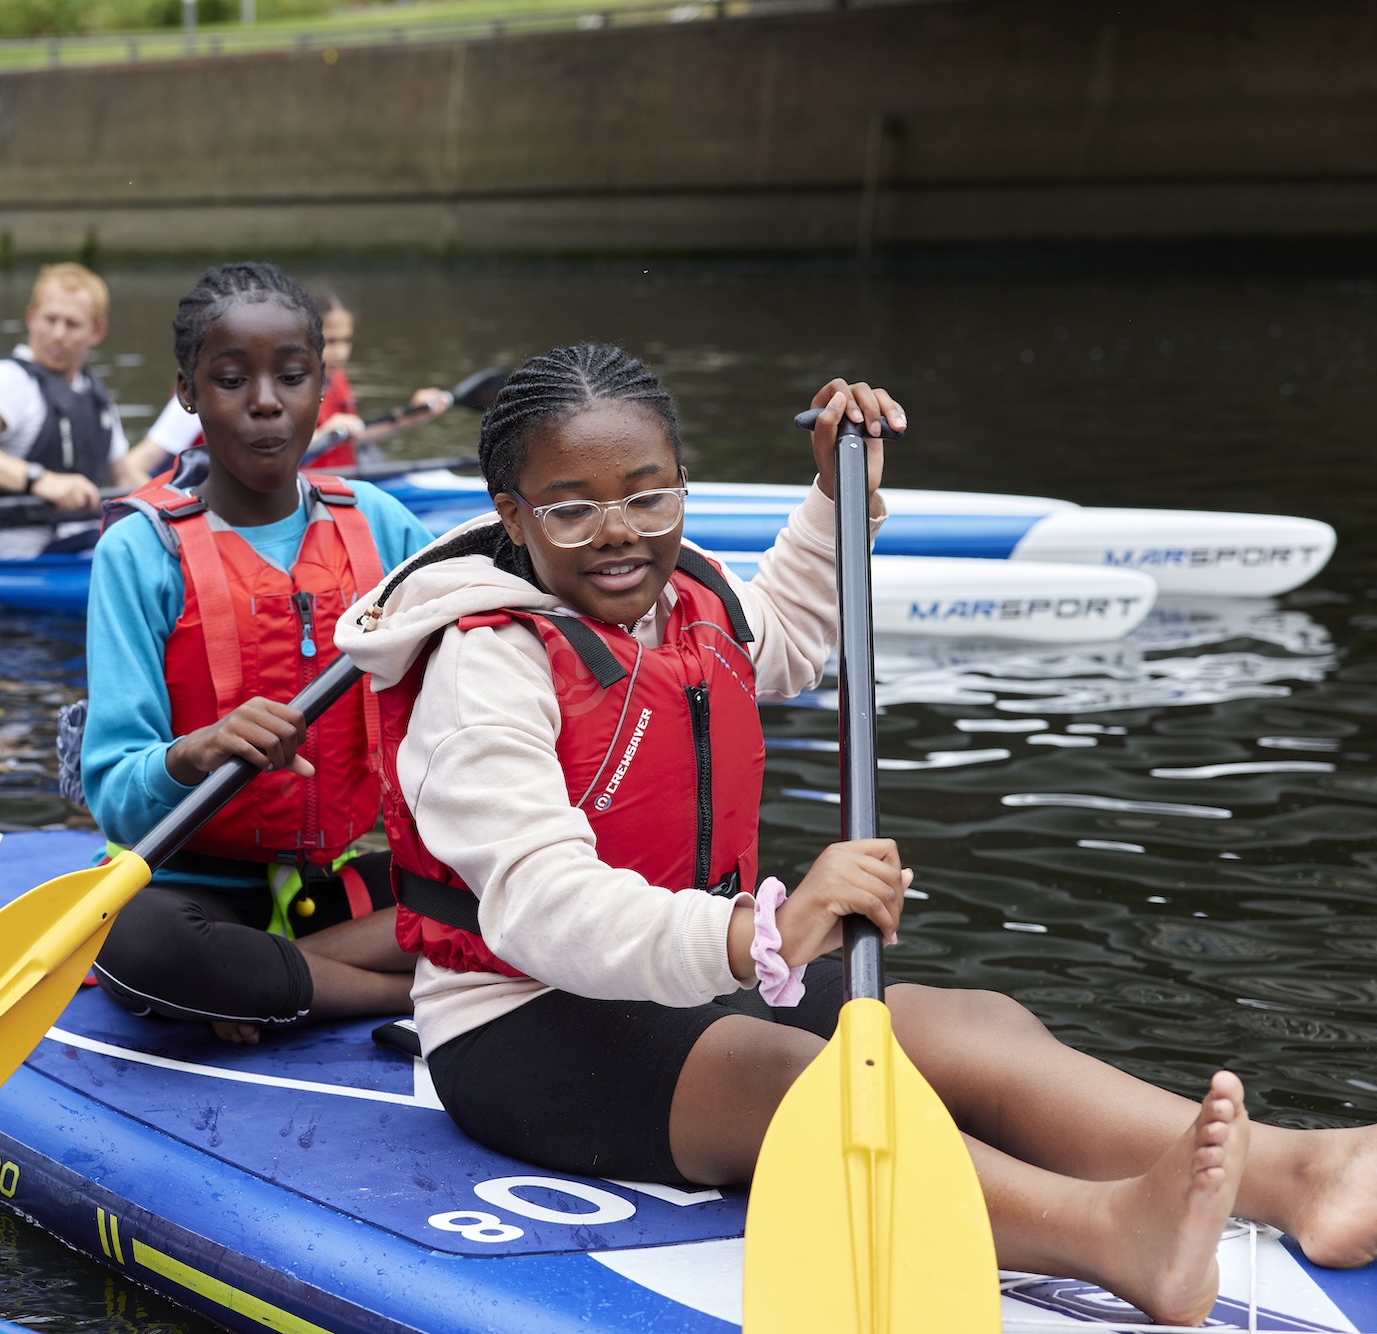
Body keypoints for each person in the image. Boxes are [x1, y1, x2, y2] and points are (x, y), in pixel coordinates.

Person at [335, 343, 1377, 1328]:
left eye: (646, 496)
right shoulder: (483, 669)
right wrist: (755, 933)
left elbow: (784, 637)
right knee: (792, 1081)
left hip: (699, 969)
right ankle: (1114, 1238)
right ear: (511, 516)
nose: (617, 531)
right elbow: (539, 903)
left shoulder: (683, 596)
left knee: (973, 1023)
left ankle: (1300, 1175)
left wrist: (839, 498)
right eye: (572, 509)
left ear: (680, 486)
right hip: (521, 1021)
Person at [78, 263, 434, 1046]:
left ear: (321, 385)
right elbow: (111, 789)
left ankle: (285, 978)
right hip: (186, 890)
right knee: (142, 947)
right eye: (233, 379)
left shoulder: (383, 526)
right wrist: (193, 753)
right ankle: (409, 992)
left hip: (339, 885)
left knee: (513, 883)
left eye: (293, 376)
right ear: (188, 394)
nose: (267, 401)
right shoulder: (140, 551)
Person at [0, 262, 146, 559]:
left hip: (79, 547)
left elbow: (124, 474)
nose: (58, 334)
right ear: (31, 317)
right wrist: (41, 481)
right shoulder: (4, 380)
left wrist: (177, 506)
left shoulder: (94, 394)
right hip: (18, 561)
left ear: (97, 332)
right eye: (50, 319)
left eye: (72, 324)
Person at [122, 286, 451, 480]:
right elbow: (136, 466)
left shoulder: (330, 380)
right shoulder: (201, 393)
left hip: (318, 487)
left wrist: (411, 415)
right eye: (330, 340)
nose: (340, 352)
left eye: (345, 341)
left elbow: (347, 435)